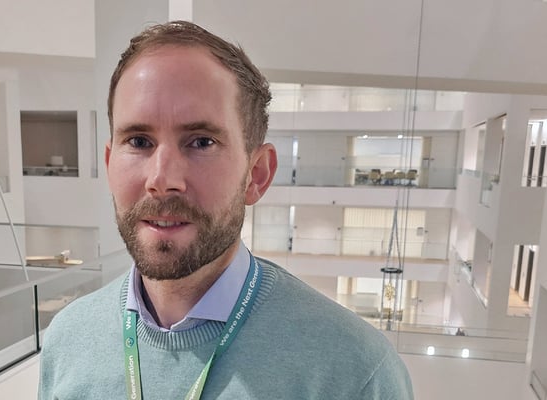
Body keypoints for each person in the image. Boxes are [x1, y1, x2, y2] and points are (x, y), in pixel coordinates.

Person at [39, 21, 414, 400]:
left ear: (256, 174)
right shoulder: (68, 339)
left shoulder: (354, 371)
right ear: (109, 164)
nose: (161, 178)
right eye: (139, 141)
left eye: (201, 142)